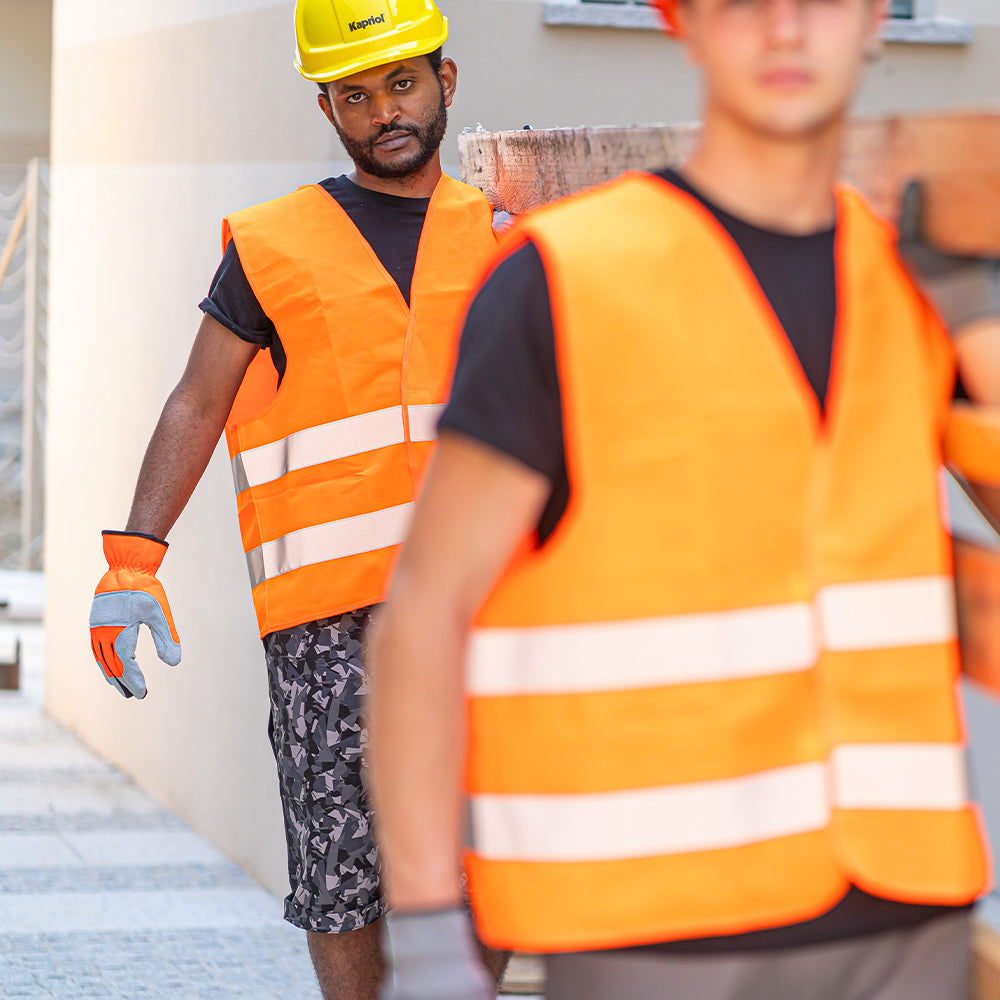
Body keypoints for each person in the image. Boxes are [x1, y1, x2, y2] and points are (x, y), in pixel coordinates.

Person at [367, 0, 1000, 998]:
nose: (785, 28)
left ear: (877, 18)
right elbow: (423, 613)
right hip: (655, 933)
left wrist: (978, 327)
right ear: (685, 23)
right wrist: (429, 929)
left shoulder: (915, 285)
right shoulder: (567, 277)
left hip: (904, 917)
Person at [87, 2, 500, 998]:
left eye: (401, 83)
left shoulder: (505, 233)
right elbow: (198, 398)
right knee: (341, 882)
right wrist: (134, 557)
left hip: (487, 606)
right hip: (328, 627)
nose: (383, 110)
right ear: (328, 110)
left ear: (444, 82)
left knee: (487, 867)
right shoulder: (273, 245)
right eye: (354, 95)